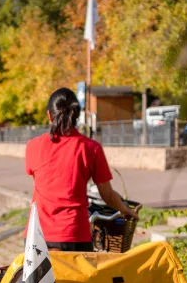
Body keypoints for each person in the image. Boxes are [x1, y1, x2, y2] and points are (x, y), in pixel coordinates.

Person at [25, 88, 137, 251]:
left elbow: (40, 185)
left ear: (49, 115)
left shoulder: (33, 146)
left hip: (37, 236)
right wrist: (127, 211)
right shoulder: (91, 148)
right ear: (76, 115)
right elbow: (108, 196)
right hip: (74, 235)